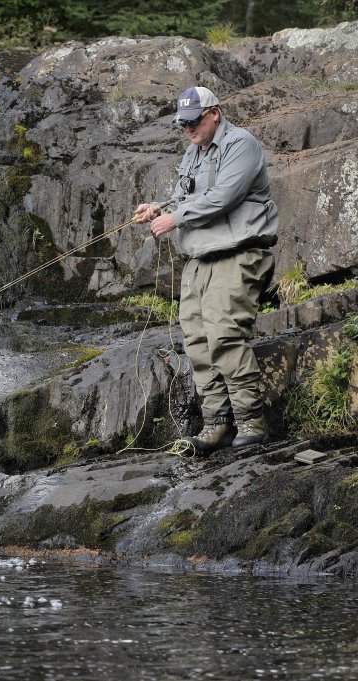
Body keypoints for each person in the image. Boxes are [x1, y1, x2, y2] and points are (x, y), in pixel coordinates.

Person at [134, 86, 278, 453]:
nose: (188, 129)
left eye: (193, 121)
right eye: (182, 124)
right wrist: (158, 207)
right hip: (199, 261)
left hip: (237, 255)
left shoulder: (240, 144)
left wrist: (174, 218)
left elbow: (224, 196)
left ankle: (251, 421)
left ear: (214, 113)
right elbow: (187, 197)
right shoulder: (192, 151)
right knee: (197, 343)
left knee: (225, 335)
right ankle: (217, 424)